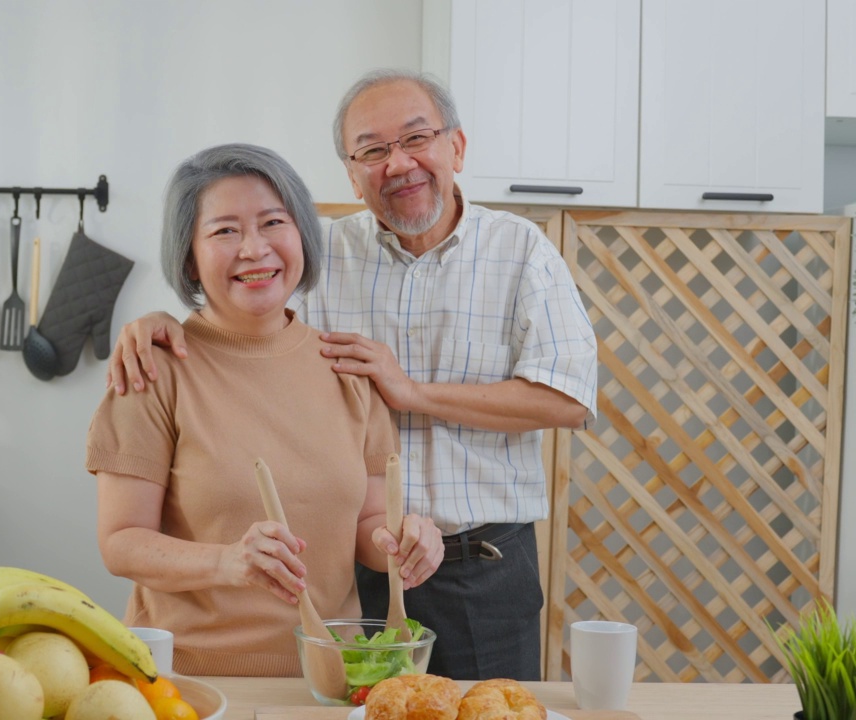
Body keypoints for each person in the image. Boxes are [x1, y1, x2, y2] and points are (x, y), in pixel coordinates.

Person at [106, 70, 599, 681]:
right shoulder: (318, 253)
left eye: (416, 139)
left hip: (478, 564)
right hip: (350, 579)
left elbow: (569, 400)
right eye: (372, 150)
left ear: (457, 147)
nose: (398, 164)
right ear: (351, 170)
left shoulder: (521, 250)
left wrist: (411, 393)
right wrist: (155, 320)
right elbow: (240, 327)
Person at [86, 143, 444, 677]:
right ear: (189, 255)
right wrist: (228, 561)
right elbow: (120, 543)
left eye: (273, 222)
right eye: (224, 231)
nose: (254, 249)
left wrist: (406, 543)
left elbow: (368, 524)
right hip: (187, 679)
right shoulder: (153, 369)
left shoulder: (345, 367)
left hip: (333, 675)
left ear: (301, 234)